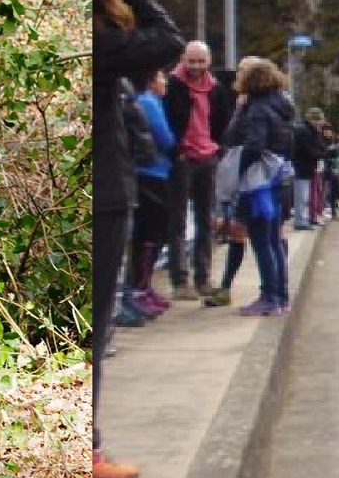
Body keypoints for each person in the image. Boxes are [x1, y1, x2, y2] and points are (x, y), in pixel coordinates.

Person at [88, 0, 185, 478]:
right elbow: (167, 38)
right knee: (94, 329)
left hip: (102, 190)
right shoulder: (104, 39)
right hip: (105, 194)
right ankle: (88, 451)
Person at [223, 58, 296, 315]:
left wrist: (238, 169)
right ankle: (281, 296)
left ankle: (269, 296)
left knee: (261, 241)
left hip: (259, 182)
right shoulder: (283, 105)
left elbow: (243, 141)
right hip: (279, 179)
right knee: (274, 240)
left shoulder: (256, 108)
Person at [163, 41, 233, 301]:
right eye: (191, 61)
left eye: (200, 62)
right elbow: (166, 121)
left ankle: (203, 278)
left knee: (207, 219)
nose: (196, 67)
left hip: (207, 156)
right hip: (182, 158)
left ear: (209, 61)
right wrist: (176, 150)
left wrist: (217, 148)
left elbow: (223, 121)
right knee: (178, 220)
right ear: (183, 59)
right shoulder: (172, 86)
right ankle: (180, 280)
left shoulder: (215, 89)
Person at [124, 70, 177, 315]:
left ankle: (144, 287)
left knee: (155, 234)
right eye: (161, 78)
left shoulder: (152, 101)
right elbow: (164, 137)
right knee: (150, 234)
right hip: (151, 173)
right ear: (151, 81)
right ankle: (139, 288)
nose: (165, 82)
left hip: (157, 172)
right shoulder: (148, 101)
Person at [291, 107, 327, 229]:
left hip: (305, 166)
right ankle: (300, 220)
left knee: (304, 195)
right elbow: (310, 151)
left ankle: (303, 219)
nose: (322, 123)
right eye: (320, 120)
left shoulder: (307, 130)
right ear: (314, 120)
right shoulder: (305, 132)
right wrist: (323, 154)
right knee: (302, 196)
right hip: (302, 166)